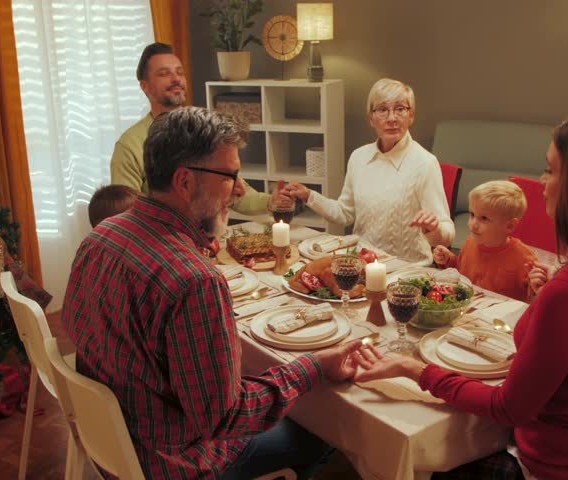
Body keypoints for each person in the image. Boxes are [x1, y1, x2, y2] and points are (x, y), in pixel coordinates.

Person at [352, 113, 568, 480]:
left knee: (415, 454)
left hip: (564, 468)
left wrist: (415, 369)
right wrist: (543, 294)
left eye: (551, 170)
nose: (542, 181)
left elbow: (508, 408)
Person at [64, 106, 361, 480]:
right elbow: (227, 418)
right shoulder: (194, 281)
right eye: (230, 176)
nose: (238, 190)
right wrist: (312, 367)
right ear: (185, 181)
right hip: (177, 463)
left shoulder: (100, 237)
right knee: (328, 427)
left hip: (115, 446)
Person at [284, 78, 454, 264]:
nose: (392, 118)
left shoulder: (425, 163)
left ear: (411, 115)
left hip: (406, 272)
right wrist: (309, 196)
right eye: (382, 110)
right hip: (361, 264)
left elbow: (447, 233)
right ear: (371, 118)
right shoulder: (359, 157)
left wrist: (434, 229)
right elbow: (344, 213)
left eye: (400, 109)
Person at [110, 42, 289, 214]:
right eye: (164, 74)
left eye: (180, 72)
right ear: (144, 86)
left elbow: (233, 187)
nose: (176, 79)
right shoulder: (129, 146)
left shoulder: (204, 130)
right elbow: (126, 212)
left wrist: (270, 201)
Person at [432, 180, 537, 302]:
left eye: (484, 218)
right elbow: (461, 273)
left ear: (510, 226)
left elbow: (537, 298)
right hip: (468, 311)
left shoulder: (525, 259)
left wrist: (537, 284)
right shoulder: (470, 242)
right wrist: (448, 260)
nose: (473, 224)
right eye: (472, 214)